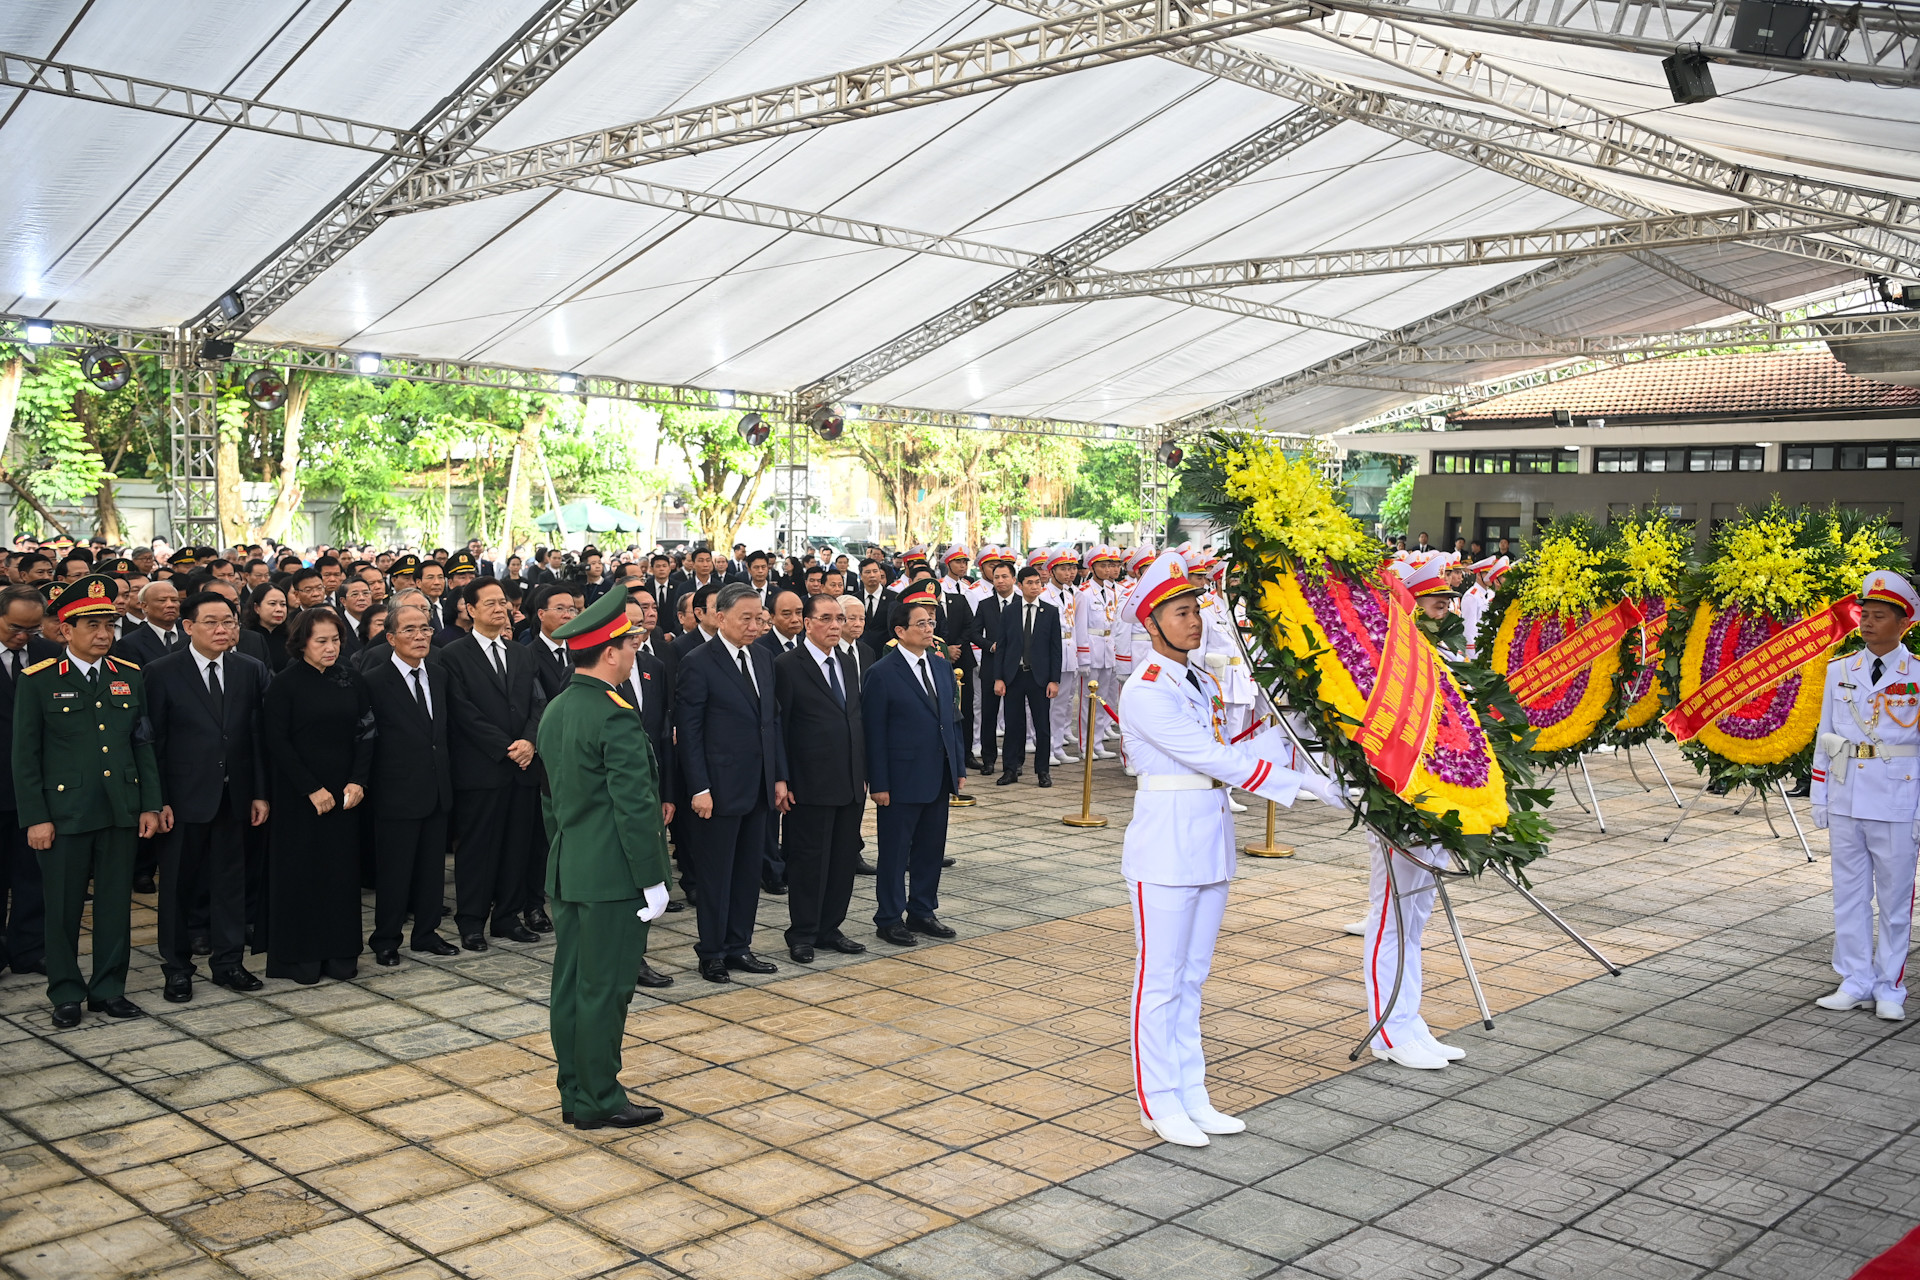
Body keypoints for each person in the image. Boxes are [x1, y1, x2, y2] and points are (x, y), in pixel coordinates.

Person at [1119, 553, 1342, 1145]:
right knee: (1160, 980)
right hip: (1166, 843)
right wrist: (1302, 786)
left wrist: (1312, 728)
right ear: (1152, 622)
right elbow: (1210, 756)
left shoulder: (1201, 677)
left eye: (1196, 610)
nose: (1194, 621)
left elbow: (1243, 740)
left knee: (1192, 979)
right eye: (1181, 612)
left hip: (1210, 841)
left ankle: (1193, 1093)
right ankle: (1158, 1100)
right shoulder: (1145, 689)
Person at [540, 585, 671, 1129]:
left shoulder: (559, 708)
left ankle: (575, 1089)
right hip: (612, 876)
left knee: (571, 987)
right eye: (632, 646)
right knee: (605, 990)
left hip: (570, 868)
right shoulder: (614, 716)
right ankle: (598, 1096)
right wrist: (655, 879)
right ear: (610, 651)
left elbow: (553, 803)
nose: (636, 655)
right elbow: (635, 809)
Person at [14, 575, 163, 1027]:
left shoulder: (129, 676)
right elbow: (26, 756)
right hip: (65, 814)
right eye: (92, 626)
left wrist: (150, 804)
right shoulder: (38, 681)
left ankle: (108, 989)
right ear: (66, 630)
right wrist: (36, 818)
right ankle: (64, 991)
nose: (104, 635)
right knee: (62, 907)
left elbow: (142, 744)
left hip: (120, 808)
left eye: (109, 625)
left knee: (116, 905)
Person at [1357, 558, 1471, 1069]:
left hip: (1442, 793)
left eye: (1445, 601)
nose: (1442, 609)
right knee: (1392, 917)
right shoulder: (1386, 660)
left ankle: (1409, 1020)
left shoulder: (1439, 650)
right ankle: (1388, 1030)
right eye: (1433, 602)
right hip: (1402, 800)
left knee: (1417, 916)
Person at [146, 591, 271, 1003]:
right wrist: (157, 799)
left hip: (234, 796)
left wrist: (258, 793)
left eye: (230, 622)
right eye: (212, 623)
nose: (223, 630)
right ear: (188, 627)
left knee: (231, 883)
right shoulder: (162, 672)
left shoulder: (250, 669)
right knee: (179, 886)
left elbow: (256, 737)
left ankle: (228, 962)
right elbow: (153, 743)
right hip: (182, 800)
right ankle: (177, 968)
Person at [1812, 570, 1920, 1022]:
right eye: (1866, 615)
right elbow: (1826, 735)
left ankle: (1890, 984)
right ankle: (1854, 979)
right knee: (1849, 894)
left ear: (1902, 623)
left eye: (1879, 616)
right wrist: (1820, 795)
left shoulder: (1916, 674)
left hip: (1898, 798)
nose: (1868, 623)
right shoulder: (1840, 670)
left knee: (1895, 899)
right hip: (1846, 794)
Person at [675, 582, 790, 983]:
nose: (755, 625)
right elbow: (689, 733)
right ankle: (712, 952)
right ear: (719, 618)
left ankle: (740, 946)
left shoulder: (762, 657)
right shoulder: (697, 662)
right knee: (716, 876)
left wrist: (778, 776)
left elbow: (771, 721)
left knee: (746, 873)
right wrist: (698, 788)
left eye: (759, 618)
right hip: (718, 791)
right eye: (746, 618)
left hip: (758, 786)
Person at [262, 610, 371, 984]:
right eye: (321, 640)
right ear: (302, 642)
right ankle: (301, 957)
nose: (330, 647)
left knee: (340, 874)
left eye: (335, 640)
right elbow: (277, 741)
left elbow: (367, 732)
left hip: (345, 795)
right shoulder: (284, 683)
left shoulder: (351, 679)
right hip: (300, 796)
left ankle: (340, 952)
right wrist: (311, 788)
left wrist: (358, 781)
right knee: (301, 874)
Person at [442, 578, 547, 950]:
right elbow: (462, 711)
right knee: (477, 849)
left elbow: (538, 703)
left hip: (522, 768)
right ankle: (471, 921)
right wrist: (505, 747)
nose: (499, 609)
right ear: (469, 609)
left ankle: (507, 916)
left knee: (517, 846)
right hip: (482, 768)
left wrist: (530, 741)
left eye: (502, 602)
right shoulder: (453, 654)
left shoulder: (520, 652)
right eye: (489, 603)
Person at [862, 588, 965, 947]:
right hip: (900, 777)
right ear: (899, 631)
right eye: (920, 623)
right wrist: (878, 781)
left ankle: (922, 910)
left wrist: (959, 766)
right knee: (895, 852)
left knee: (930, 848)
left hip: (937, 773)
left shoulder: (939, 663)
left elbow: (952, 719)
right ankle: (889, 917)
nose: (928, 628)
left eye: (931, 622)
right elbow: (873, 732)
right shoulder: (881, 673)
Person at [774, 594, 868, 964]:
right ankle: (803, 932)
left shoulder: (847, 662)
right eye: (826, 618)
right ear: (808, 623)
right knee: (808, 861)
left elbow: (855, 719)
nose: (835, 626)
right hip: (808, 784)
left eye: (839, 619)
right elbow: (779, 726)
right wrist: (783, 779)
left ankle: (831, 927)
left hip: (848, 781)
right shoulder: (787, 665)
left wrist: (863, 772)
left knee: (844, 859)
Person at [363, 604, 457, 965]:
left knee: (433, 870)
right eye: (410, 630)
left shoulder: (438, 673)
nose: (420, 636)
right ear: (390, 638)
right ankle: (386, 939)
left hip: (436, 788)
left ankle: (427, 934)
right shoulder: (374, 680)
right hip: (395, 791)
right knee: (394, 872)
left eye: (426, 629)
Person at [0, 586, 59, 979]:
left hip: (36, 789)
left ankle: (29, 949)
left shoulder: (49, 657)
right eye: (14, 628)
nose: (22, 637)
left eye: (32, 630)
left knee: (33, 874)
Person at [990, 565, 1063, 788]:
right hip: (1014, 676)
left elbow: (1055, 649)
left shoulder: (1050, 612)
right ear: (1019, 586)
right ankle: (1011, 768)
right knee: (1013, 724)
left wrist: (1054, 679)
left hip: (1039, 677)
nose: (1034, 587)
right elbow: (1002, 646)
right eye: (1029, 583)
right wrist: (999, 677)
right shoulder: (1010, 612)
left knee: (1042, 725)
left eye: (1037, 583)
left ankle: (1043, 770)